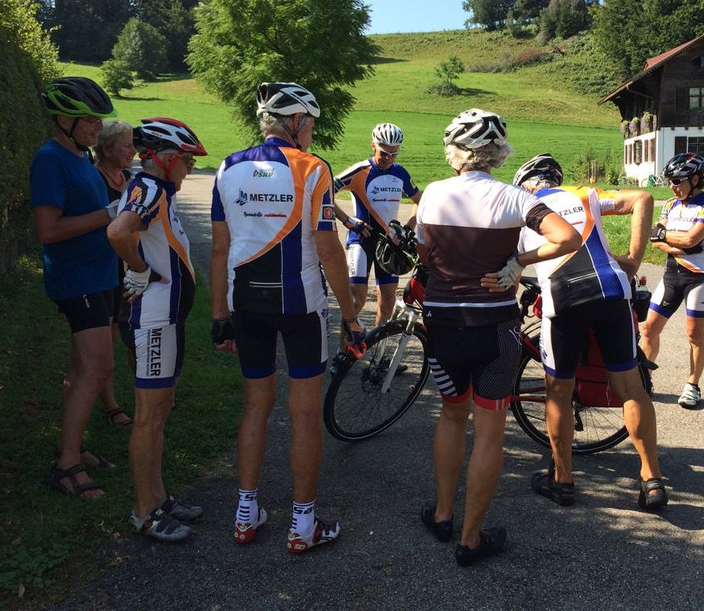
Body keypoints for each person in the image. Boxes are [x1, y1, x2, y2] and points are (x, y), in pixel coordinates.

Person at [416, 109, 580, 567]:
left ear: (456, 152)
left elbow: (425, 253)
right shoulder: (514, 197)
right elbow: (568, 237)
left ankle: (443, 515)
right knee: (489, 428)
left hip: (444, 322)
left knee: (452, 415)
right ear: (498, 153)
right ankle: (471, 539)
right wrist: (518, 262)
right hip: (496, 327)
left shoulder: (433, 194)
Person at [210, 82, 364, 552]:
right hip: (300, 305)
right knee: (304, 412)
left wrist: (219, 317)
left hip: (245, 306)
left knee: (255, 406)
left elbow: (219, 249)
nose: (311, 132)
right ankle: (302, 523)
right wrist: (351, 316)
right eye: (310, 123)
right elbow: (328, 249)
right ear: (296, 121)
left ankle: (245, 514)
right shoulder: (312, 167)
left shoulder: (227, 167)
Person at [510, 153, 666, 509]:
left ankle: (563, 481)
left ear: (526, 185)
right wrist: (633, 260)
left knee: (558, 393)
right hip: (611, 291)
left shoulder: (522, 209)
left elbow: (514, 274)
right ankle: (652, 479)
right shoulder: (583, 193)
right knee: (631, 388)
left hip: (563, 299)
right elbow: (643, 198)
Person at [107, 118, 207, 541]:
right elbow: (118, 231)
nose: (190, 168)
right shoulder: (149, 189)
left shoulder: (157, 190)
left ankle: (159, 497)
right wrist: (137, 269)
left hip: (167, 319)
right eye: (187, 160)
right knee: (148, 418)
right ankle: (144, 511)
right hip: (154, 320)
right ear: (165, 159)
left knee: (160, 412)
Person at [31, 77, 120, 500]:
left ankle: (73, 444)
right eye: (90, 120)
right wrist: (108, 214)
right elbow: (47, 230)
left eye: (100, 120)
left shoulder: (81, 156)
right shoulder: (50, 159)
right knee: (98, 368)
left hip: (99, 275)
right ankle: (66, 466)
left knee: (80, 369)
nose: (98, 128)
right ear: (64, 120)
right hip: (77, 278)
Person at [640, 152, 704, 409]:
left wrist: (671, 238)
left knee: (694, 335)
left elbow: (691, 239)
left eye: (677, 181)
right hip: (672, 275)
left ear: (695, 179)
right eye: (669, 181)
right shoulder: (670, 205)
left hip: (700, 277)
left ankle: (692, 385)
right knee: (649, 329)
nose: (672, 187)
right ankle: (644, 379)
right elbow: (655, 239)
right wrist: (682, 246)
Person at [333, 123, 421, 329]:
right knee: (357, 300)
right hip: (361, 239)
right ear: (373, 145)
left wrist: (408, 228)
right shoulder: (360, 170)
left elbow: (419, 200)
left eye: (394, 154)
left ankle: (378, 348)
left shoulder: (400, 172)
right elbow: (325, 192)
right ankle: (347, 344)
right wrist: (347, 220)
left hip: (389, 244)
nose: (389, 158)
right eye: (384, 153)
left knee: (388, 299)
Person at [93, 119, 138, 428]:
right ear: (107, 148)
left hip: (131, 267)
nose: (133, 151)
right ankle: (110, 404)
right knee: (106, 337)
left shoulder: (131, 179)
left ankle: (147, 395)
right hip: (103, 267)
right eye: (127, 145)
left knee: (134, 331)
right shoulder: (94, 178)